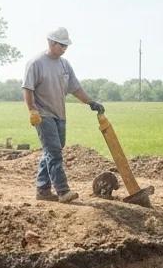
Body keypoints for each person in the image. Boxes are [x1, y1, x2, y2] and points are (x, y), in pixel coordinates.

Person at [22, 27, 105, 203]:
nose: (64, 49)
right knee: (54, 153)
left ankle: (43, 190)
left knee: (51, 151)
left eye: (66, 46)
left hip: (60, 115)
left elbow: (75, 88)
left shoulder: (64, 64)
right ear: (51, 42)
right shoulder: (36, 63)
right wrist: (32, 110)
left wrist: (90, 102)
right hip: (43, 115)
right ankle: (62, 191)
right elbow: (27, 89)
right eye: (61, 45)